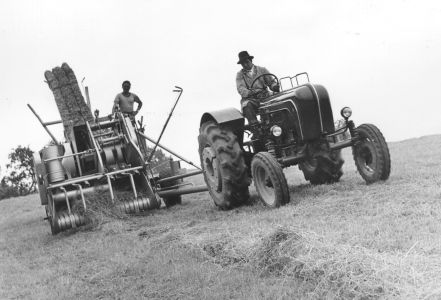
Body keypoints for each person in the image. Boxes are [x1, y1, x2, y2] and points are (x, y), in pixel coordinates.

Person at [235, 51, 280, 126]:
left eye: (247, 62)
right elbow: (241, 89)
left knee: (279, 99)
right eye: (243, 64)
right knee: (246, 105)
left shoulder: (262, 70)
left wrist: (274, 86)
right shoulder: (240, 75)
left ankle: (278, 122)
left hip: (265, 95)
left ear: (251, 60)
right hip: (251, 99)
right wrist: (250, 92)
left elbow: (271, 82)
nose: (245, 65)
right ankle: (255, 127)